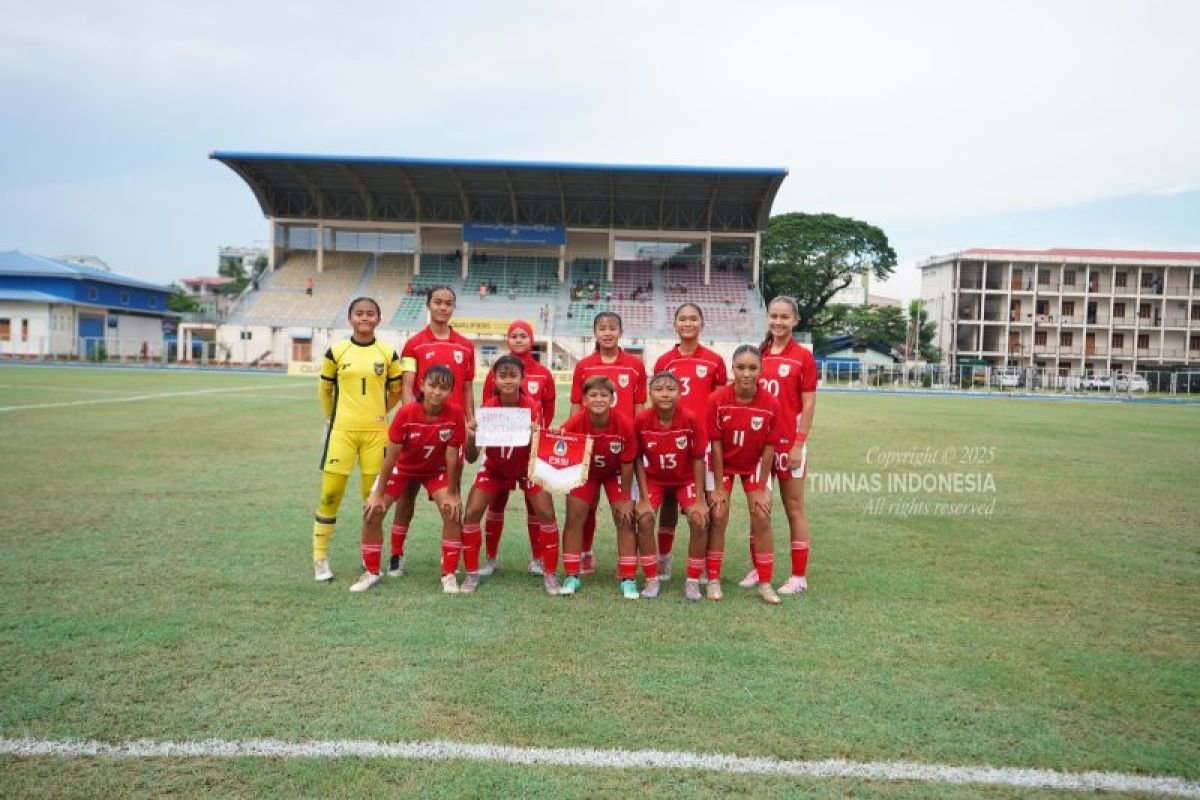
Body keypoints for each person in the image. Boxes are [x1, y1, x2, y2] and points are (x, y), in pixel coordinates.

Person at [311, 297, 408, 583]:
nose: (364, 318)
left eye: (370, 314)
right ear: (350, 318)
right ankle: (320, 558)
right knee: (330, 495)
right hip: (341, 433)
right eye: (359, 313)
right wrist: (333, 419)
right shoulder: (336, 352)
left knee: (373, 501)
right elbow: (324, 392)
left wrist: (378, 414)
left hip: (376, 436)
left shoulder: (388, 354)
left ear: (378, 319)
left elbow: (395, 393)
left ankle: (369, 560)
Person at [358, 366, 467, 593]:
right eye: (432, 386)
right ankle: (371, 571)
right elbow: (392, 456)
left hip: (435, 470)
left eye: (443, 388)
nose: (437, 392)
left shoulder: (456, 413)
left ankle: (448, 574)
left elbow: (452, 456)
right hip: (403, 468)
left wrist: (453, 493)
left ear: (450, 391)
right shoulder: (406, 413)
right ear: (422, 386)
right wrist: (378, 494)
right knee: (372, 511)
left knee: (452, 511)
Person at [390, 286, 475, 575]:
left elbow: (466, 388)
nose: (443, 307)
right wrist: (409, 422)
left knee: (452, 496)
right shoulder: (414, 344)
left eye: (448, 303)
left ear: (453, 308)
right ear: (428, 305)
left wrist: (470, 420)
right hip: (419, 431)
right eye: (437, 302)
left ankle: (449, 560)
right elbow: (407, 386)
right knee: (406, 497)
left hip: (451, 433)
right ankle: (396, 554)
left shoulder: (465, 346)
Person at [737, 295, 818, 595]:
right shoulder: (760, 354)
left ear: (795, 320)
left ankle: (798, 576)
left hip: (789, 445)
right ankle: (760, 568)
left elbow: (808, 404)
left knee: (794, 507)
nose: (778, 322)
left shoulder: (803, 357)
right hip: (760, 449)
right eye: (774, 316)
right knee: (758, 510)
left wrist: (799, 444)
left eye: (785, 317)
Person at [462, 355, 560, 595]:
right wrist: (472, 436)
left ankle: (549, 572)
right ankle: (472, 574)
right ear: (494, 379)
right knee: (472, 512)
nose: (507, 381)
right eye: (502, 376)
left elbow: (542, 447)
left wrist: (538, 433)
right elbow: (473, 457)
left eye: (513, 376)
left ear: (522, 378)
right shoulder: (487, 409)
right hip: (495, 466)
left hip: (526, 466)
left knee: (546, 512)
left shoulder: (532, 407)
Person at [651, 303, 727, 580]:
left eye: (693, 318)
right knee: (669, 502)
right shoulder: (664, 362)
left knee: (704, 502)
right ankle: (664, 558)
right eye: (682, 319)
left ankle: (704, 562)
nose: (688, 323)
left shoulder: (715, 360)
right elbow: (657, 400)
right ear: (675, 324)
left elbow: (721, 405)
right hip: (670, 441)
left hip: (703, 443)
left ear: (702, 323)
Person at [706, 345, 787, 605]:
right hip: (723, 464)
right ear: (732, 368)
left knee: (762, 515)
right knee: (718, 514)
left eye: (753, 368)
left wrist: (762, 486)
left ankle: (765, 582)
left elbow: (769, 448)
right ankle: (714, 579)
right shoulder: (717, 399)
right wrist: (718, 486)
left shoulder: (771, 403)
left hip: (754, 465)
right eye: (741, 367)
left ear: (761, 370)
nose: (746, 373)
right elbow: (716, 446)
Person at [569, 311, 646, 575]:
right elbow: (575, 409)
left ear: (620, 332)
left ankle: (625, 562)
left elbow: (640, 409)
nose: (607, 332)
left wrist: (636, 446)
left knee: (626, 507)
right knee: (585, 505)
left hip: (623, 448)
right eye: (602, 328)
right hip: (589, 448)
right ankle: (585, 554)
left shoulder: (635, 366)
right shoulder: (584, 365)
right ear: (595, 332)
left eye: (612, 327)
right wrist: (572, 447)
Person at [479, 321, 557, 577]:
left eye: (524, 335)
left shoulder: (544, 373)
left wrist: (537, 433)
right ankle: (490, 559)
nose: (519, 339)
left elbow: (549, 409)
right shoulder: (497, 371)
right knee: (496, 501)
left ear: (532, 339)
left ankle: (537, 559)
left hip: (530, 451)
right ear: (508, 339)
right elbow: (488, 406)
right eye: (514, 335)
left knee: (535, 505)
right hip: (500, 451)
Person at [558, 376, 637, 597]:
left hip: (615, 474)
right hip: (586, 473)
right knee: (574, 517)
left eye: (604, 395)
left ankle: (628, 577)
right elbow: (559, 442)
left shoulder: (624, 423)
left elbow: (628, 462)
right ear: (584, 400)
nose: (599, 399)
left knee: (625, 517)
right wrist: (552, 434)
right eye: (593, 395)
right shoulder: (576, 421)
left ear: (613, 399)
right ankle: (572, 574)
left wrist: (625, 496)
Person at [633, 371, 708, 600]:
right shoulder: (642, 419)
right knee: (644, 519)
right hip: (654, 479)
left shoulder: (691, 418)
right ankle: (651, 579)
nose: (665, 394)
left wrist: (700, 500)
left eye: (671, 389)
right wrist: (644, 499)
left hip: (684, 479)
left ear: (681, 392)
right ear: (650, 393)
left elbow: (697, 458)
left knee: (699, 519)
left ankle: (693, 581)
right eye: (659, 389)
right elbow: (636, 459)